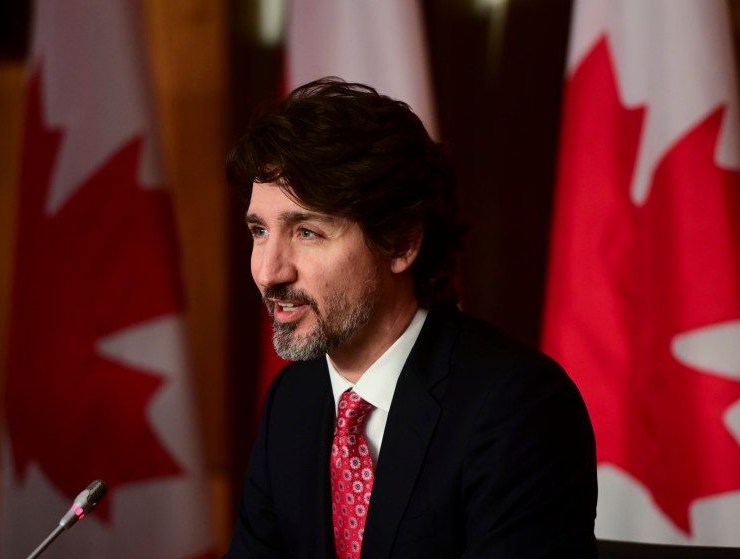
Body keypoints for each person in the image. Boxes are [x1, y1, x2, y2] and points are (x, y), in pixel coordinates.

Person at [225, 77, 597, 558]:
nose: (268, 272)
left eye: (307, 232)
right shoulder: (294, 401)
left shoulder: (517, 409)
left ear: (401, 242)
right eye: (259, 230)